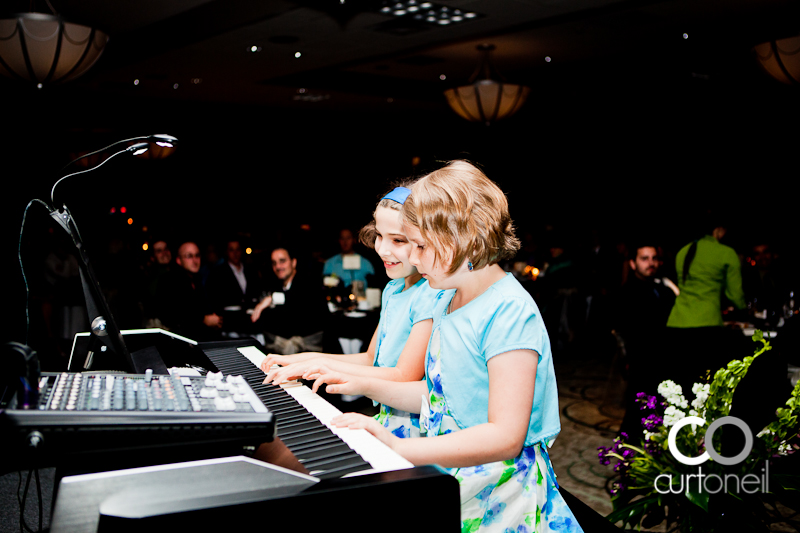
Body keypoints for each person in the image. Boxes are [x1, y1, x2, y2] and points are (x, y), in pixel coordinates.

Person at [325, 161, 582, 532]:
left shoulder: (508, 311)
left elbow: (505, 436)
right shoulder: (450, 298)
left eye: (420, 245)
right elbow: (440, 397)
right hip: (454, 470)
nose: (411, 258)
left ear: (462, 237)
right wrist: (363, 386)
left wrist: (398, 449)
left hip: (501, 492)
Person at [260, 182, 441, 438]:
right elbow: (370, 358)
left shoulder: (429, 294)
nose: (382, 249)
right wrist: (303, 359)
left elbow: (403, 376)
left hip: (413, 427)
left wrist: (324, 367)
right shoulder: (392, 289)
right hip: (386, 415)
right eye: (379, 235)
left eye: (398, 240)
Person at [666, 219, 747, 393]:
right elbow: (736, 297)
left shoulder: (683, 252)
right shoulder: (726, 253)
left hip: (676, 325)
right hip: (707, 326)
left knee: (680, 388)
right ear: (720, 230)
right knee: (705, 389)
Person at [614, 243, 676, 439]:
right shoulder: (629, 292)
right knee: (640, 410)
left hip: (663, 356)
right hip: (644, 360)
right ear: (633, 264)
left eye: (654, 258)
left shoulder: (660, 287)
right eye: (644, 259)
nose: (651, 263)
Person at [251, 246, 329, 354]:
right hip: (285, 349)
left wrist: (271, 299)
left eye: (282, 261)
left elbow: (297, 306)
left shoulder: (309, 282)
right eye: (274, 263)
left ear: (293, 262)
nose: (278, 266)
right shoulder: (276, 285)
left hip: (313, 352)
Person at [156, 241, 223, 341]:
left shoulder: (197, 280)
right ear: (179, 260)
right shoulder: (170, 281)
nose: (195, 260)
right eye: (189, 256)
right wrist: (203, 320)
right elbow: (173, 316)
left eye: (197, 255)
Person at [206, 238, 265, 337]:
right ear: (226, 252)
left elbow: (257, 293)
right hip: (229, 326)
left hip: (251, 323)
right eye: (231, 250)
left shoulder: (250, 270)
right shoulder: (218, 273)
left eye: (237, 249)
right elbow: (214, 299)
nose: (235, 253)